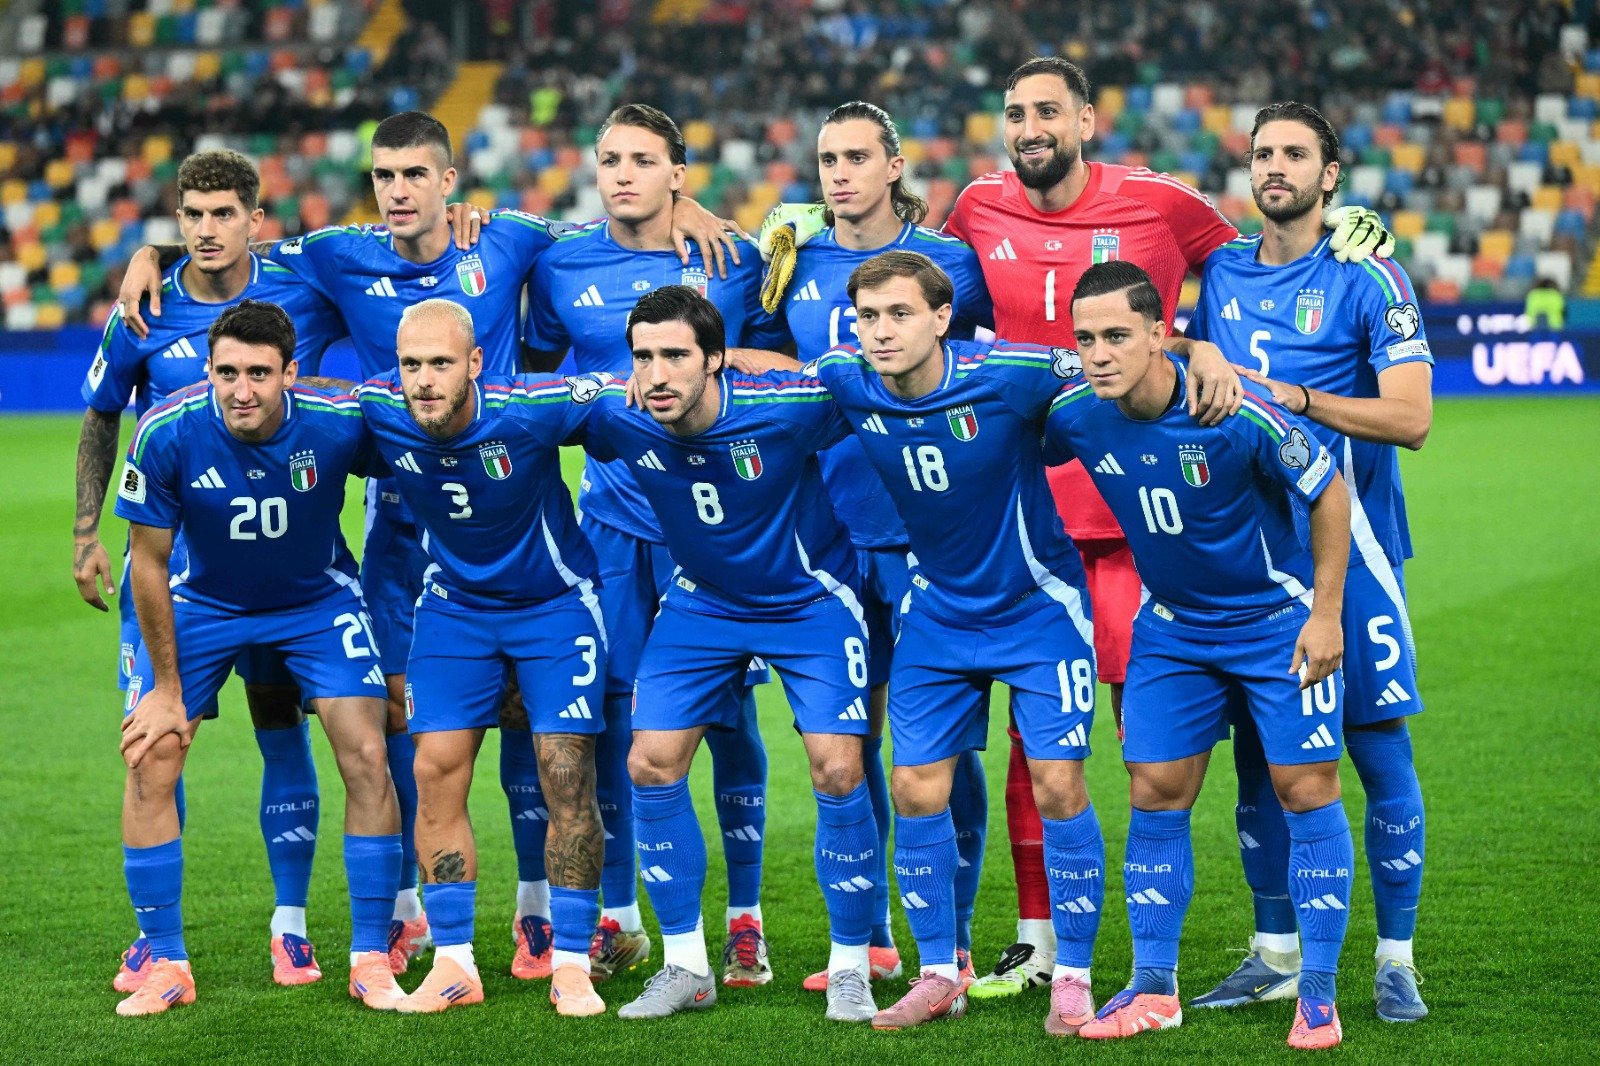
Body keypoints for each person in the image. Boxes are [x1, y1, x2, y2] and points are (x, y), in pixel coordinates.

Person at [938, 55, 1389, 1001]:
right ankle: (1042, 941)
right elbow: (917, 280)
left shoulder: (1162, 202)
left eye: (1047, 111)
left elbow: (1254, 257)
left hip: (1147, 523)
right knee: (1037, 729)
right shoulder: (976, 206)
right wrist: (810, 218)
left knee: (1152, 743)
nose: (1029, 127)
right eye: (1015, 112)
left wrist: (1339, 243)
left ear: (1087, 122)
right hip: (1039, 514)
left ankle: (1258, 950)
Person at [117, 111, 577, 979]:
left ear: (450, 180)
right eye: (384, 176)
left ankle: (536, 910)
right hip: (401, 526)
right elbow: (228, 253)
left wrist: (694, 213)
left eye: (415, 174)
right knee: (398, 718)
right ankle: (399, 914)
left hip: (511, 510)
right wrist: (154, 259)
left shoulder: (510, 237)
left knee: (527, 707)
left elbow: (603, 233)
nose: (398, 191)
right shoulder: (334, 252)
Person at [1045, 260, 1356, 1051]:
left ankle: (1316, 994)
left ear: (1160, 335)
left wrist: (1325, 615)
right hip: (1174, 626)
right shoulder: (1077, 411)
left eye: (1118, 335)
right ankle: (1155, 987)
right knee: (1154, 790)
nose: (1099, 353)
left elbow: (1327, 491)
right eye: (1085, 339)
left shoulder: (1231, 407)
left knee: (1305, 786)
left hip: (1274, 620)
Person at [74, 149, 348, 992]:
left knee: (282, 732)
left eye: (223, 213)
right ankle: (157, 941)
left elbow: (395, 252)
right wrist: (88, 530)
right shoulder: (144, 308)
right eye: (189, 215)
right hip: (173, 578)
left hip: (283, 573)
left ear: (253, 220)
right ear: (177, 218)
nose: (205, 229)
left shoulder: (302, 286)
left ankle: (290, 927)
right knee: (155, 743)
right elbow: (99, 414)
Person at [1185, 101, 1435, 1023]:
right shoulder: (1217, 274)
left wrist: (1295, 396)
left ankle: (1396, 957)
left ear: (1331, 175)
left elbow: (1411, 419)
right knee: (1261, 756)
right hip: (1251, 557)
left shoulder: (1371, 274)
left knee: (1375, 748)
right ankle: (1276, 952)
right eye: (1263, 154)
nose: (1276, 166)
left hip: (1354, 550)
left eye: (1296, 154)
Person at [521, 104, 782, 984]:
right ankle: (622, 917)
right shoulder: (560, 262)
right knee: (621, 719)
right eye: (608, 159)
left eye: (642, 159)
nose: (622, 173)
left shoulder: (734, 258)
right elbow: (540, 376)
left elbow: (775, 356)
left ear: (681, 171)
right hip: (615, 529)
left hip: (718, 527)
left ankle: (745, 921)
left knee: (733, 718)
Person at [811, 250, 1101, 1035]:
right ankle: (940, 971)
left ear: (943, 318)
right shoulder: (845, 379)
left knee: (1057, 786)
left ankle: (1073, 975)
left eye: (900, 314)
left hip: (1037, 607)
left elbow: (1117, 361)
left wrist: (1195, 353)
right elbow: (771, 384)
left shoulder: (1011, 373)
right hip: (938, 612)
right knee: (914, 789)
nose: (881, 331)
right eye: (868, 316)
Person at [585, 285, 880, 1023]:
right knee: (649, 761)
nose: (656, 374)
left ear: (716, 361)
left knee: (840, 768)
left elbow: (880, 376)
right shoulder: (619, 415)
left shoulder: (787, 406)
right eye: (644, 356)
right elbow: (508, 404)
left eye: (676, 356)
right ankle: (686, 964)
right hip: (704, 604)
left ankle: (852, 967)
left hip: (810, 602)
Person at [757, 100, 994, 991]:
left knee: (939, 745)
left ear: (895, 166)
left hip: (928, 536)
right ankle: (874, 936)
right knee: (847, 739)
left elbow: (1005, 358)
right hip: (823, 537)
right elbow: (737, 350)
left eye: (858, 156)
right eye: (826, 159)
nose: (840, 173)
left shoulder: (953, 267)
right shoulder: (786, 260)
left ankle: (956, 934)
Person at [113, 300, 402, 1016]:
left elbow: (421, 456)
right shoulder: (168, 431)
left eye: (260, 374)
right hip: (204, 603)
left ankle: (371, 956)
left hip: (316, 604)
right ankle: (167, 962)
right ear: (209, 369)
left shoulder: (338, 423)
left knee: (367, 753)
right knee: (152, 753)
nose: (242, 390)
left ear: (290, 373)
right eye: (227, 373)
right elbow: (147, 563)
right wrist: (167, 689)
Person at [353, 299, 609, 1016]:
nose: (425, 381)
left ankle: (571, 961)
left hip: (555, 606)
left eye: (440, 363)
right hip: (454, 610)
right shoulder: (377, 409)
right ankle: (455, 962)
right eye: (411, 365)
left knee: (565, 772)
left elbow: (625, 394)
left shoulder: (531, 409)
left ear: (475, 363)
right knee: (434, 770)